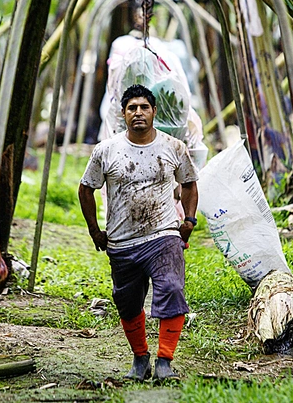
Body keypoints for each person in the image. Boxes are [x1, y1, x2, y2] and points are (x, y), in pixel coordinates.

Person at [78, 84, 199, 381]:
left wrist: (190, 220)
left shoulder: (173, 147)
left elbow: (189, 184)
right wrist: (95, 231)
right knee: (128, 302)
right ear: (123, 114)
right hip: (121, 242)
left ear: (154, 111)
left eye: (144, 107)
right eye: (132, 108)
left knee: (171, 288)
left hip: (164, 235)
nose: (139, 113)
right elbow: (85, 190)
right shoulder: (106, 150)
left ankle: (165, 361)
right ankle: (140, 358)